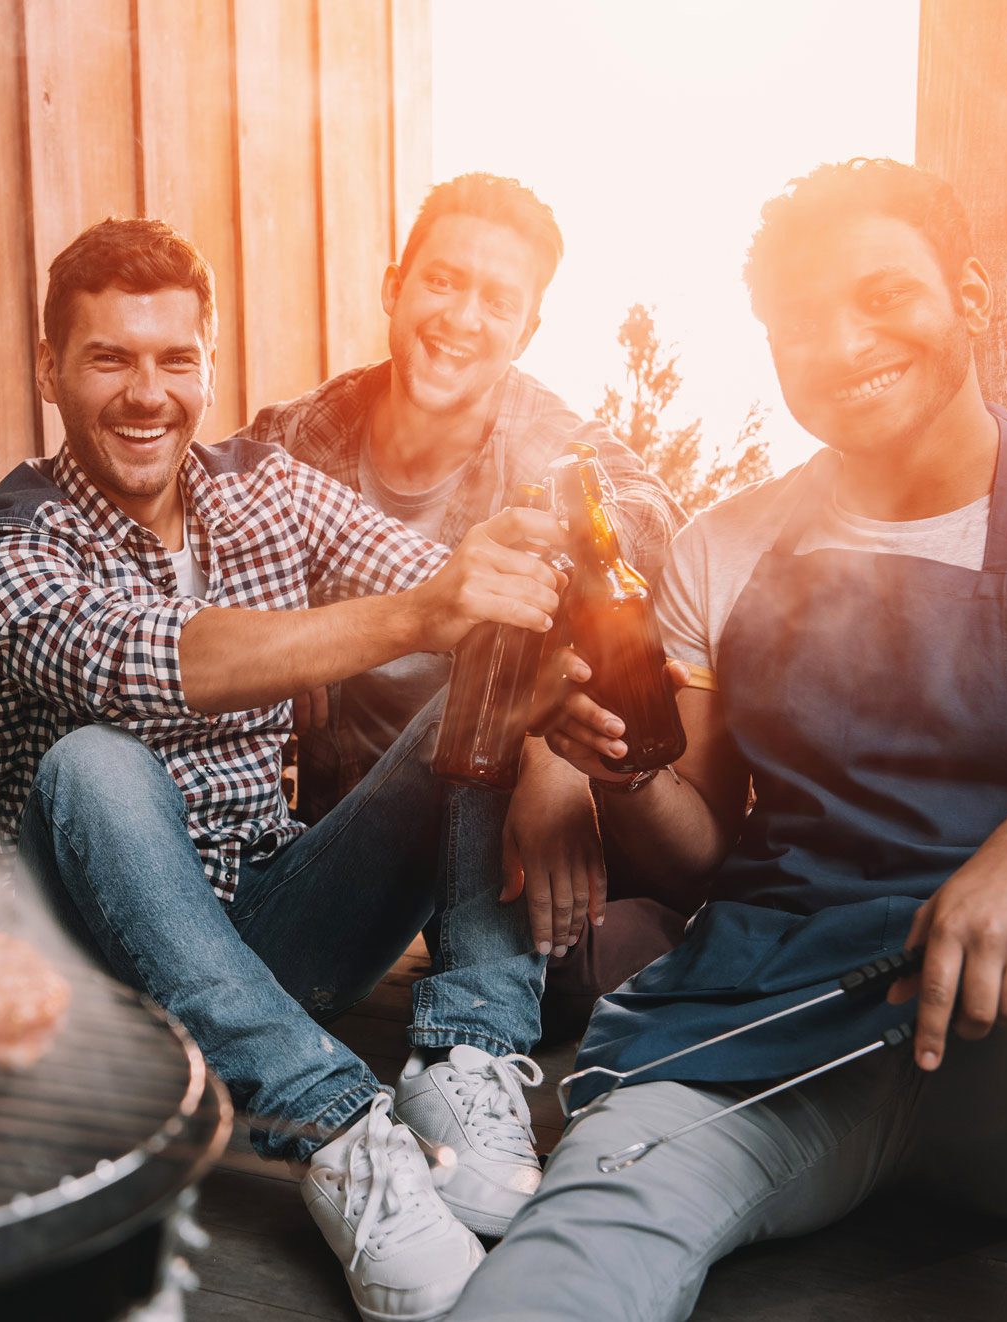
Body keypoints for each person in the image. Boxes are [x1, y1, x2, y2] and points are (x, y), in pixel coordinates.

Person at [450, 158, 1007, 1321]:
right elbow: (695, 856)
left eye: (883, 295)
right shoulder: (725, 548)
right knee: (564, 1266)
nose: (841, 344)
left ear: (972, 296)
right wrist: (622, 769)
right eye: (800, 324)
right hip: (767, 1034)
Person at [0, 217, 568, 1321]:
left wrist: (536, 699)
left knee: (487, 671)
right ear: (51, 370)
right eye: (110, 358)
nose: (148, 393)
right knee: (94, 760)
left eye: (175, 359)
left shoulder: (263, 487)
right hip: (107, 981)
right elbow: (164, 664)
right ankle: (341, 1132)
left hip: (275, 937)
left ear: (210, 362)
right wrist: (424, 609)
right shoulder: (7, 548)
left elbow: (453, 591)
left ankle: (470, 1052)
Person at [234, 172, 690, 1040]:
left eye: (496, 299)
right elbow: (201, 527)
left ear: (528, 329)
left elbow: (653, 522)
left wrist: (551, 757)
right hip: (356, 842)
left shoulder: (554, 446)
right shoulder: (297, 441)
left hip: (495, 856)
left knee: (584, 977)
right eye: (441, 282)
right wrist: (282, 645)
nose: (461, 318)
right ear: (394, 288)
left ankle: (477, 1052)